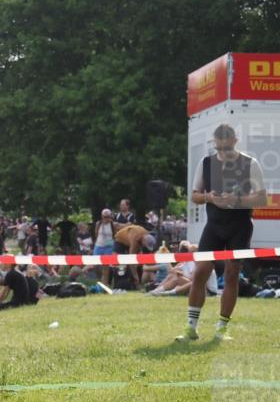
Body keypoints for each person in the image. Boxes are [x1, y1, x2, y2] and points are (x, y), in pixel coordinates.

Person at [177, 123, 267, 341]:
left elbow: (262, 198)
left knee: (232, 274)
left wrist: (236, 200)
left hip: (240, 225)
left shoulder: (250, 163)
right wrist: (211, 198)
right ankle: (191, 327)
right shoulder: (206, 163)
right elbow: (195, 195)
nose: (223, 153)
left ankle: (222, 328)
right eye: (219, 149)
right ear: (214, 145)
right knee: (200, 272)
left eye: (227, 148)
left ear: (235, 141)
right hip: (214, 225)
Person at [112, 222, 157, 288]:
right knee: (120, 263)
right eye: (146, 245)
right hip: (120, 240)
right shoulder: (134, 241)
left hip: (132, 238)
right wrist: (136, 276)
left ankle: (141, 280)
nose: (146, 247)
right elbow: (131, 261)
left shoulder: (146, 234)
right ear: (143, 241)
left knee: (141, 261)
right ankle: (122, 282)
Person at [93, 209, 116, 286]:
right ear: (102, 217)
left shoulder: (112, 224)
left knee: (106, 266)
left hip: (108, 246)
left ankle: (105, 283)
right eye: (105, 217)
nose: (106, 219)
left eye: (108, 217)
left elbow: (115, 235)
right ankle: (99, 280)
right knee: (95, 265)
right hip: (99, 245)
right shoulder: (98, 224)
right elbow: (96, 234)